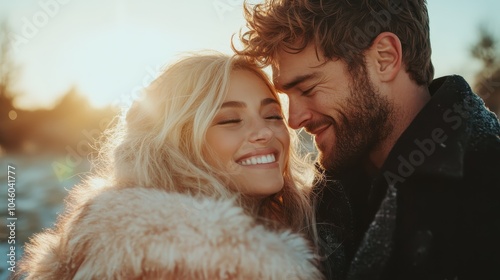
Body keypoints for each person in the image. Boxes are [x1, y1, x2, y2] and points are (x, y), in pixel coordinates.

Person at [235, 0, 500, 279]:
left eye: (308, 89)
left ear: (384, 58)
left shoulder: (488, 190)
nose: (294, 120)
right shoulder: (315, 203)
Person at [17, 53, 324, 279]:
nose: (265, 133)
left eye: (272, 116)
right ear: (178, 143)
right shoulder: (167, 260)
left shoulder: (300, 222)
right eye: (230, 120)